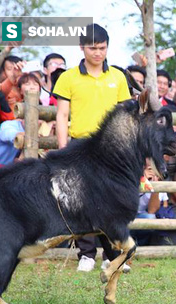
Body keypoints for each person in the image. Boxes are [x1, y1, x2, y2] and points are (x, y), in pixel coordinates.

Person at [52, 23, 131, 272]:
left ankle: (112, 254)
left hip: (111, 148)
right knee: (80, 201)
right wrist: (64, 150)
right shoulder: (68, 77)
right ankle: (86, 254)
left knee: (111, 201)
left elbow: (125, 117)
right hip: (80, 145)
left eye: (102, 48)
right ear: (82, 47)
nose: (98, 53)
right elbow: (62, 116)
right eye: (92, 48)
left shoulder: (118, 77)